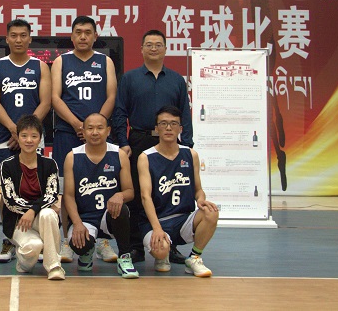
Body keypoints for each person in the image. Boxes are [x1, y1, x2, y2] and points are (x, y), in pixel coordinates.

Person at [111, 29, 193, 265]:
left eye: (158, 44)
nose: (154, 48)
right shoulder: (130, 79)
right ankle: (136, 246)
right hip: (139, 140)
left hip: (170, 142)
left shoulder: (176, 80)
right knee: (137, 194)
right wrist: (123, 142)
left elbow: (185, 114)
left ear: (166, 49)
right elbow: (120, 112)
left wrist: (187, 144)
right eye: (149, 44)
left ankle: (171, 245)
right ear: (142, 49)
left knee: (168, 192)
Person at [51, 16, 117, 263]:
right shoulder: (61, 61)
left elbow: (111, 96)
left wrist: (95, 126)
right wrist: (78, 125)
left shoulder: (105, 61)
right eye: (78, 32)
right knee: (66, 189)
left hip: (98, 135)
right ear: (71, 36)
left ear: (95, 36)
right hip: (68, 133)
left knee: (103, 185)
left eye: (88, 32)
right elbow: (55, 98)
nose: (82, 36)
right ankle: (67, 240)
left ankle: (102, 240)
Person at [0, 19, 51, 263]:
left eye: (23, 35)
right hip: (5, 137)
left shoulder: (40, 66)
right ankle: (8, 240)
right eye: (13, 35)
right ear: (7, 38)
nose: (18, 39)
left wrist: (26, 133)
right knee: (7, 192)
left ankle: (36, 237)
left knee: (37, 188)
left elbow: (45, 102)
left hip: (32, 137)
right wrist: (15, 131)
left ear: (30, 38)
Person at [138, 106, 218, 277]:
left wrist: (201, 200)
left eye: (173, 124)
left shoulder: (191, 154)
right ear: (156, 128)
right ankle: (163, 254)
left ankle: (194, 258)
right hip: (156, 221)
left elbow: (198, 190)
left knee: (211, 212)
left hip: (183, 219)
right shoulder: (146, 157)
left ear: (180, 128)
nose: (168, 128)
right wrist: (157, 228)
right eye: (163, 123)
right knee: (161, 251)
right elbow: (145, 197)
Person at [62, 113, 138, 278]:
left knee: (122, 209)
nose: (95, 132)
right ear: (83, 131)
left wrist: (120, 195)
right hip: (85, 218)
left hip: (109, 216)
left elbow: (130, 191)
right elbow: (68, 196)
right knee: (79, 244)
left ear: (108, 131)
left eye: (99, 128)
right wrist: (77, 223)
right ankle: (86, 252)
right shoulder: (72, 157)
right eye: (90, 128)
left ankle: (124, 257)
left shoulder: (119, 155)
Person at [0, 115, 64, 280]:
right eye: (24, 136)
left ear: (40, 139)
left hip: (41, 218)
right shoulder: (7, 165)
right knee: (34, 246)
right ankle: (23, 263)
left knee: (48, 214)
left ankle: (54, 266)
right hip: (18, 222)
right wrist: (32, 210)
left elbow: (51, 195)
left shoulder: (50, 164)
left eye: (34, 136)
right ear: (18, 137)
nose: (29, 140)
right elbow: (10, 200)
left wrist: (33, 210)